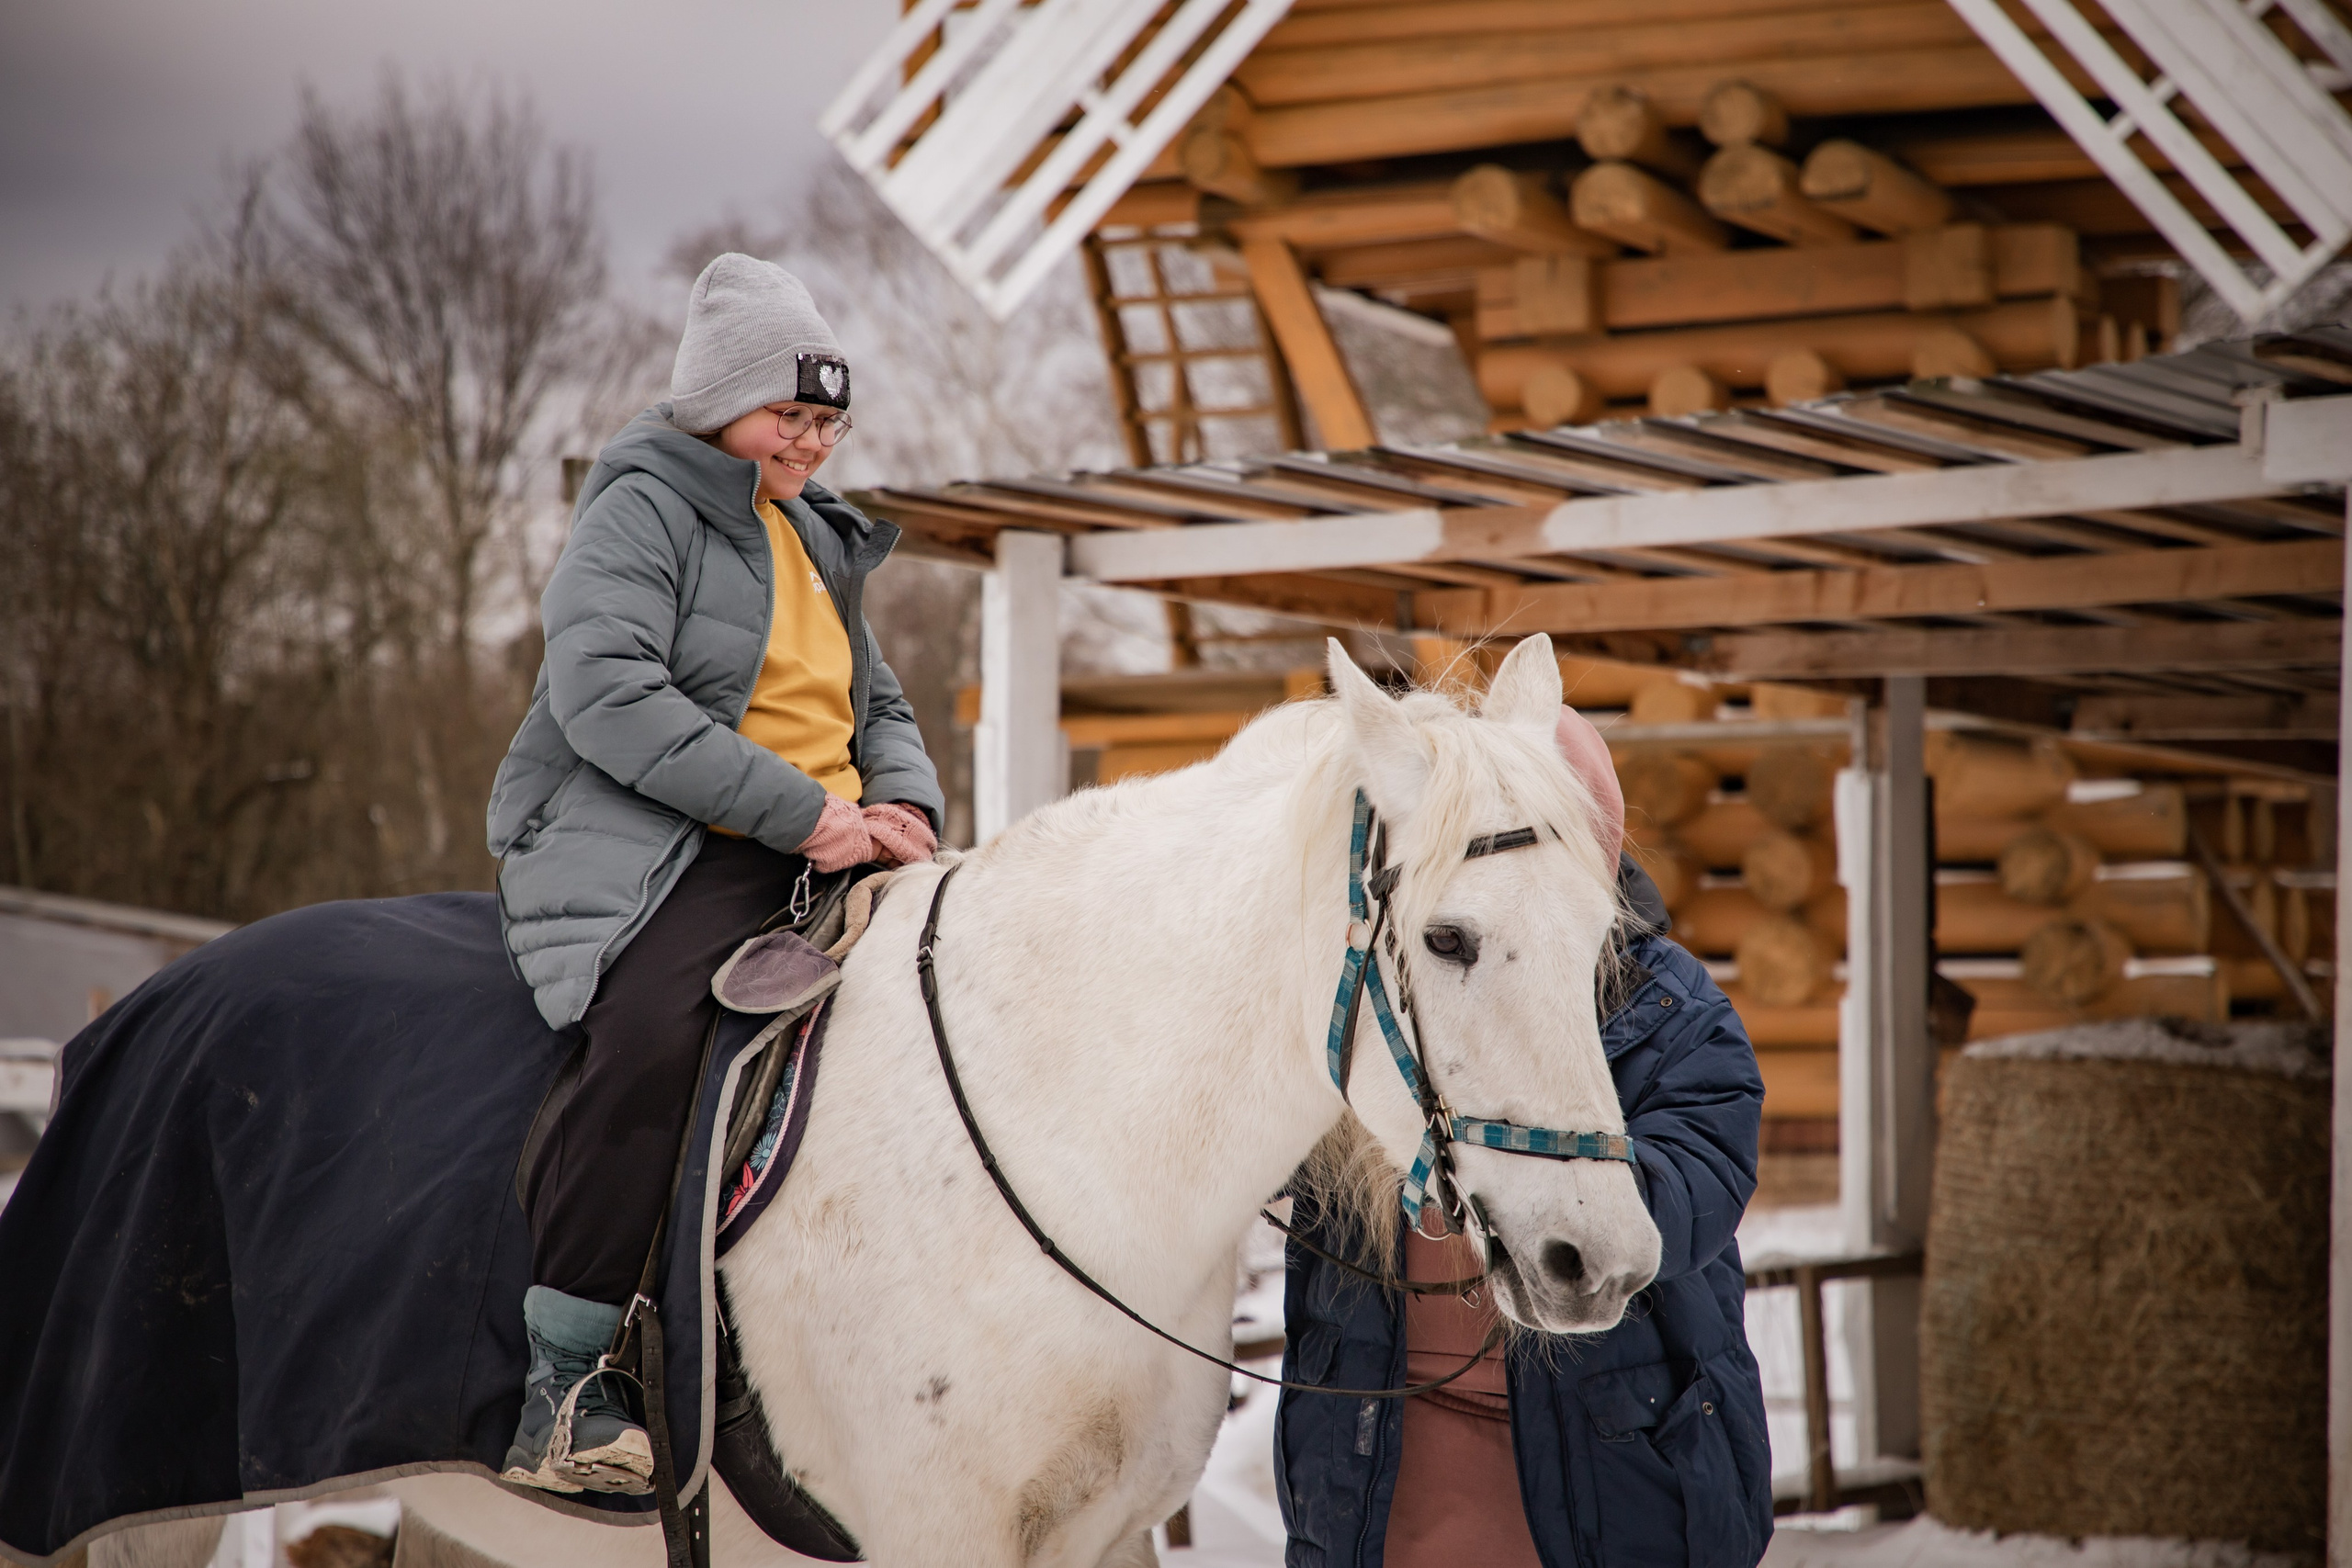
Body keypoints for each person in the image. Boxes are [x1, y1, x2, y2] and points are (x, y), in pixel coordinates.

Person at [482, 254, 945, 1495]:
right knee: (653, 1035)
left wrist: (901, 801)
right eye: (785, 414)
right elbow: (606, 694)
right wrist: (806, 815)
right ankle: (566, 1382)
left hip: (818, 840)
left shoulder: (809, 535)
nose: (809, 440)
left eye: (826, 419)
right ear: (714, 405)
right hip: (665, 845)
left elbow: (876, 698)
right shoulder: (640, 508)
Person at [1275, 705, 1772, 1567]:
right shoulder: (1383, 988)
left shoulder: (1676, 1008)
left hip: (1614, 1463)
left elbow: (1706, 1168)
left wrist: (1552, 1184)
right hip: (1379, 1465)